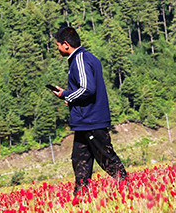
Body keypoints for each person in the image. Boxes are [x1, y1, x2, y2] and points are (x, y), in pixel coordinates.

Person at [51, 27, 129, 195]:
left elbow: (87, 89)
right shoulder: (88, 58)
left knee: (105, 157)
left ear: (66, 45)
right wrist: (71, 100)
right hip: (83, 121)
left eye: (57, 45)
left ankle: (128, 188)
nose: (57, 49)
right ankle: (80, 198)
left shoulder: (80, 59)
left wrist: (65, 95)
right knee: (80, 160)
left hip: (90, 120)